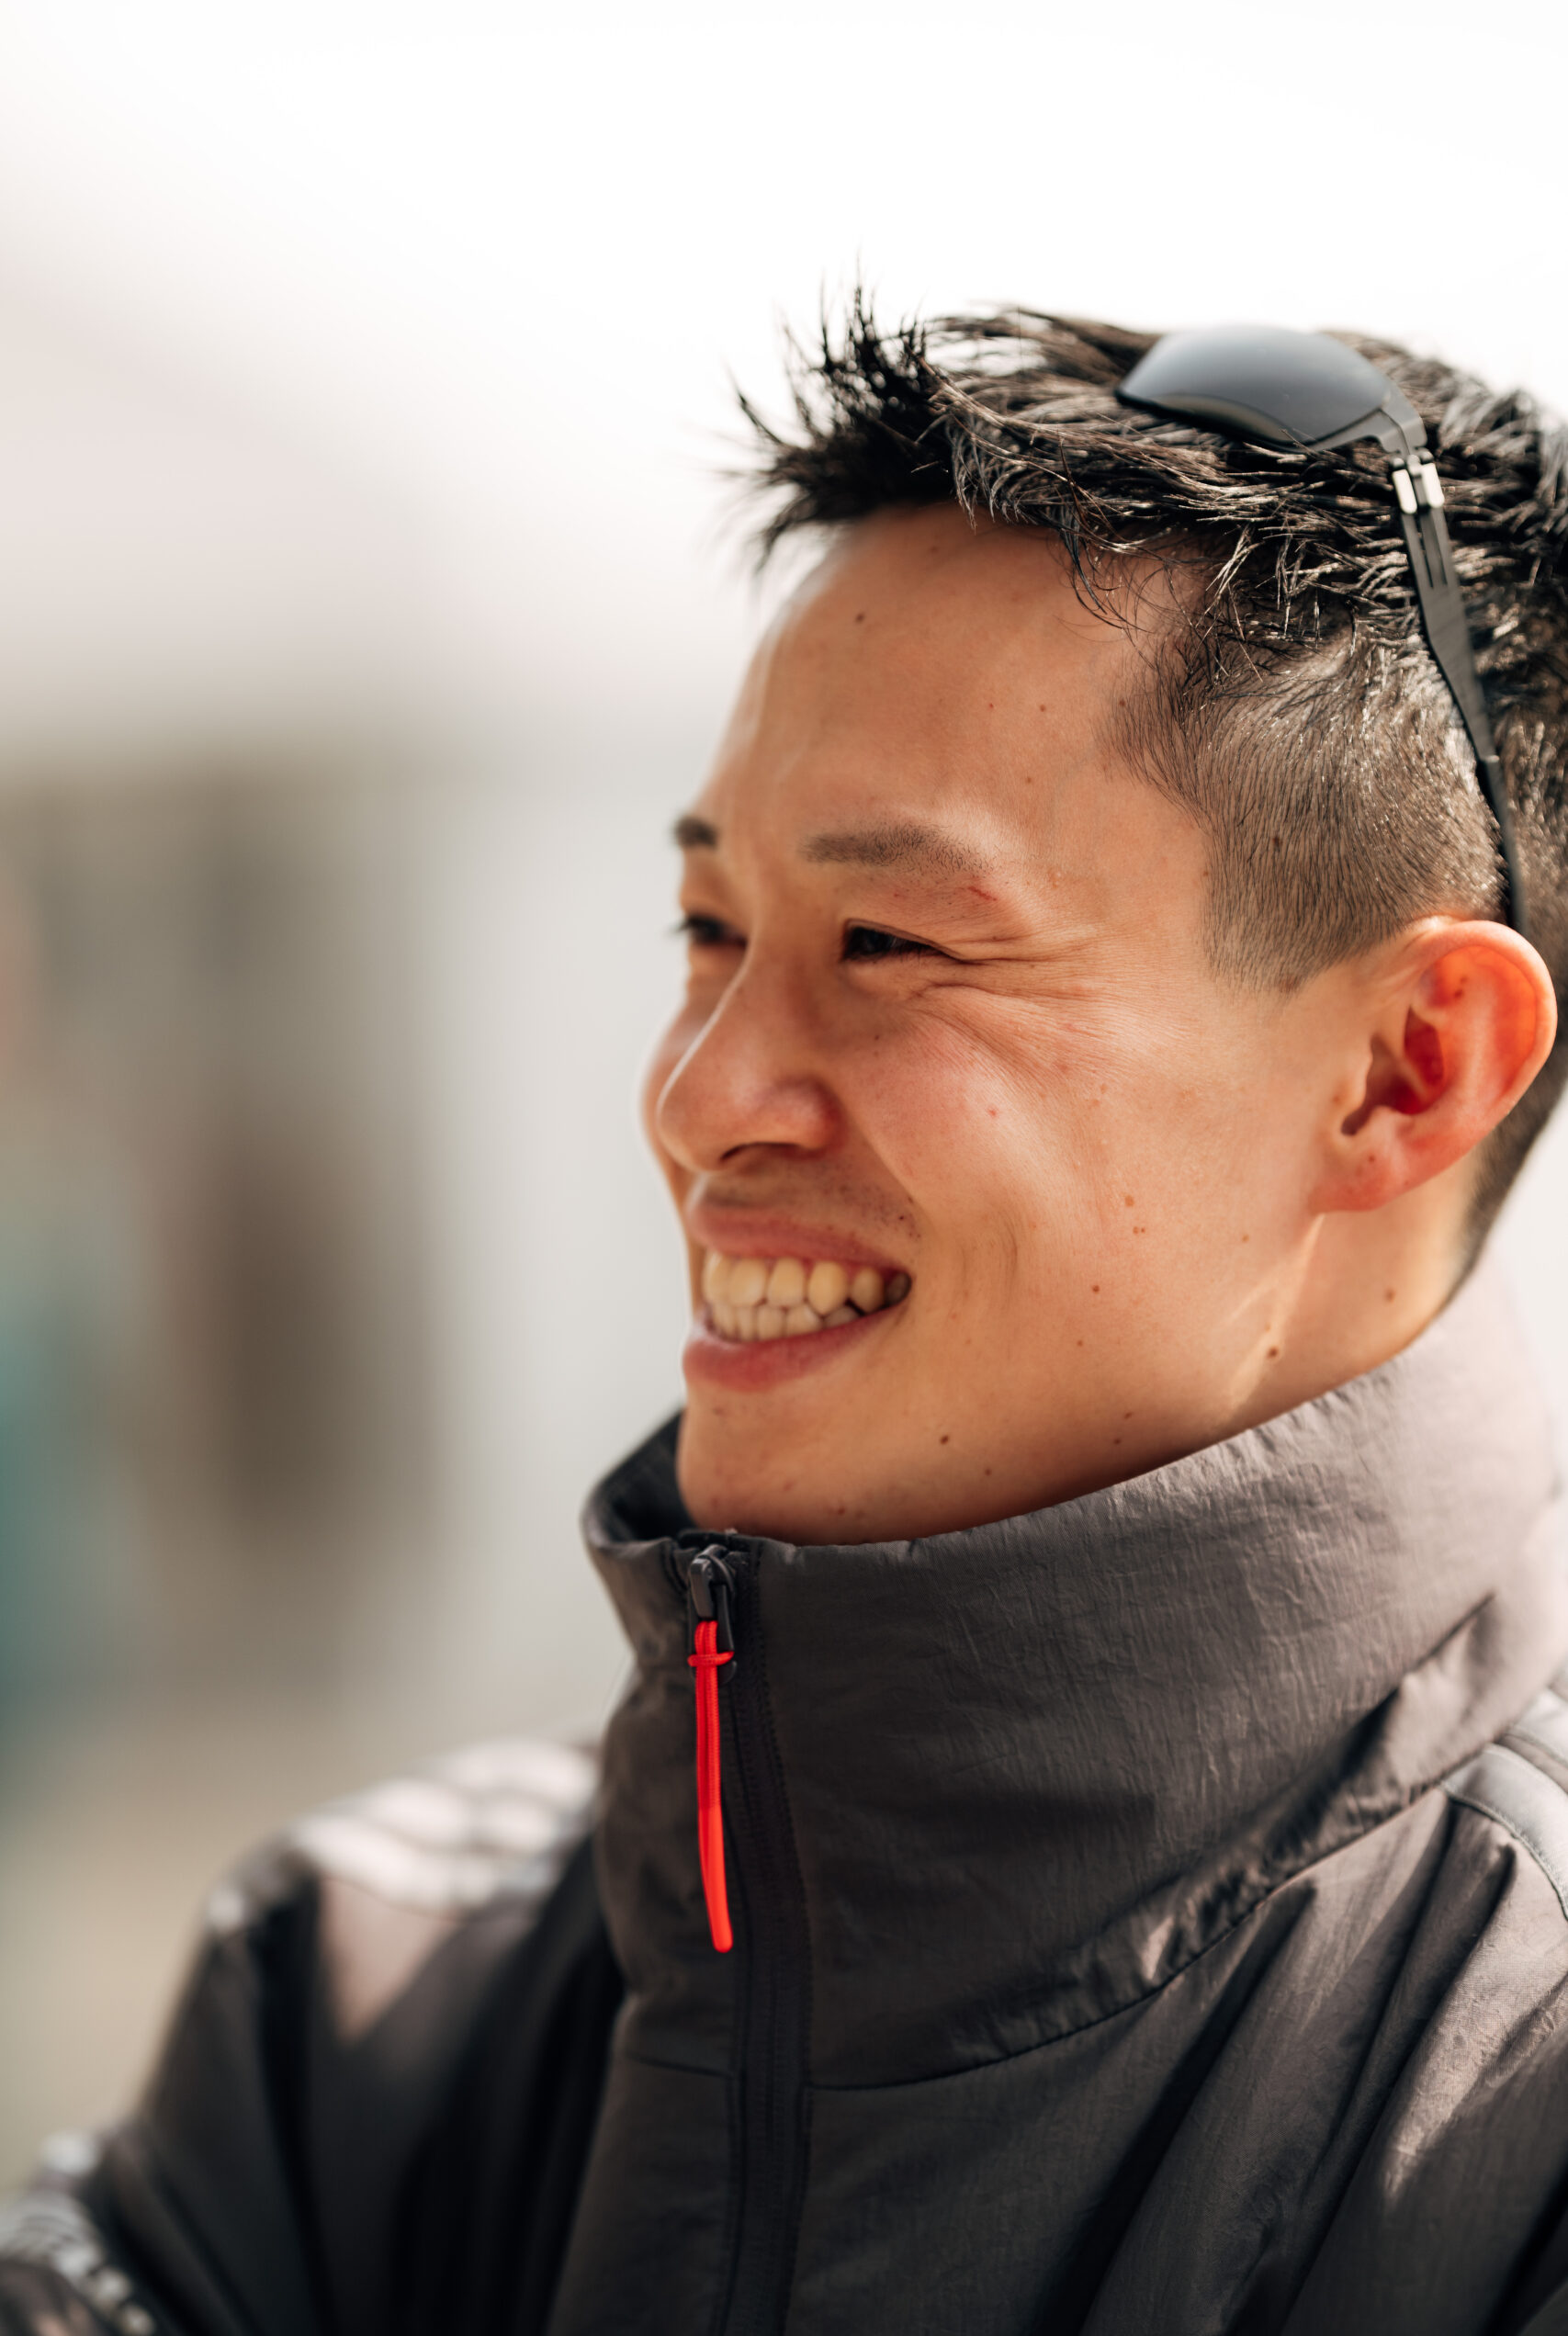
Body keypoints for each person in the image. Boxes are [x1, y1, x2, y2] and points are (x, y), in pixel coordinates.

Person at [6, 303, 1568, 2336]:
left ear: (1401, 1071)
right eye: (709, 928)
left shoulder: (1512, 2095)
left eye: (890, 941)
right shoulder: (359, 2003)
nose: (702, 1093)